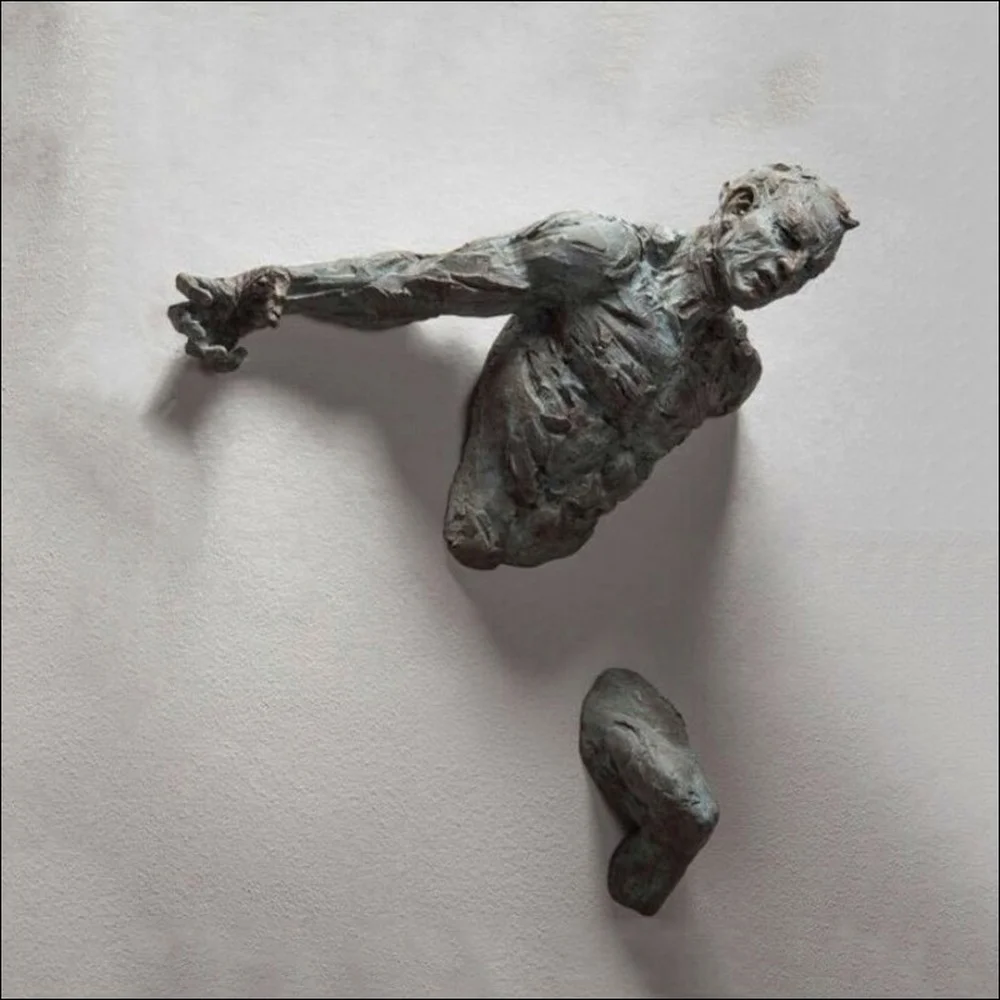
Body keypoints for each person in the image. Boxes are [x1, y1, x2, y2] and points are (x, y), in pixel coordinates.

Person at [169, 163, 858, 569]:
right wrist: (285, 287)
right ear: (740, 208)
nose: (788, 268)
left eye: (809, 269)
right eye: (787, 237)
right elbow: (427, 282)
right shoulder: (605, 257)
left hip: (558, 541)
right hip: (486, 504)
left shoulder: (730, 375)